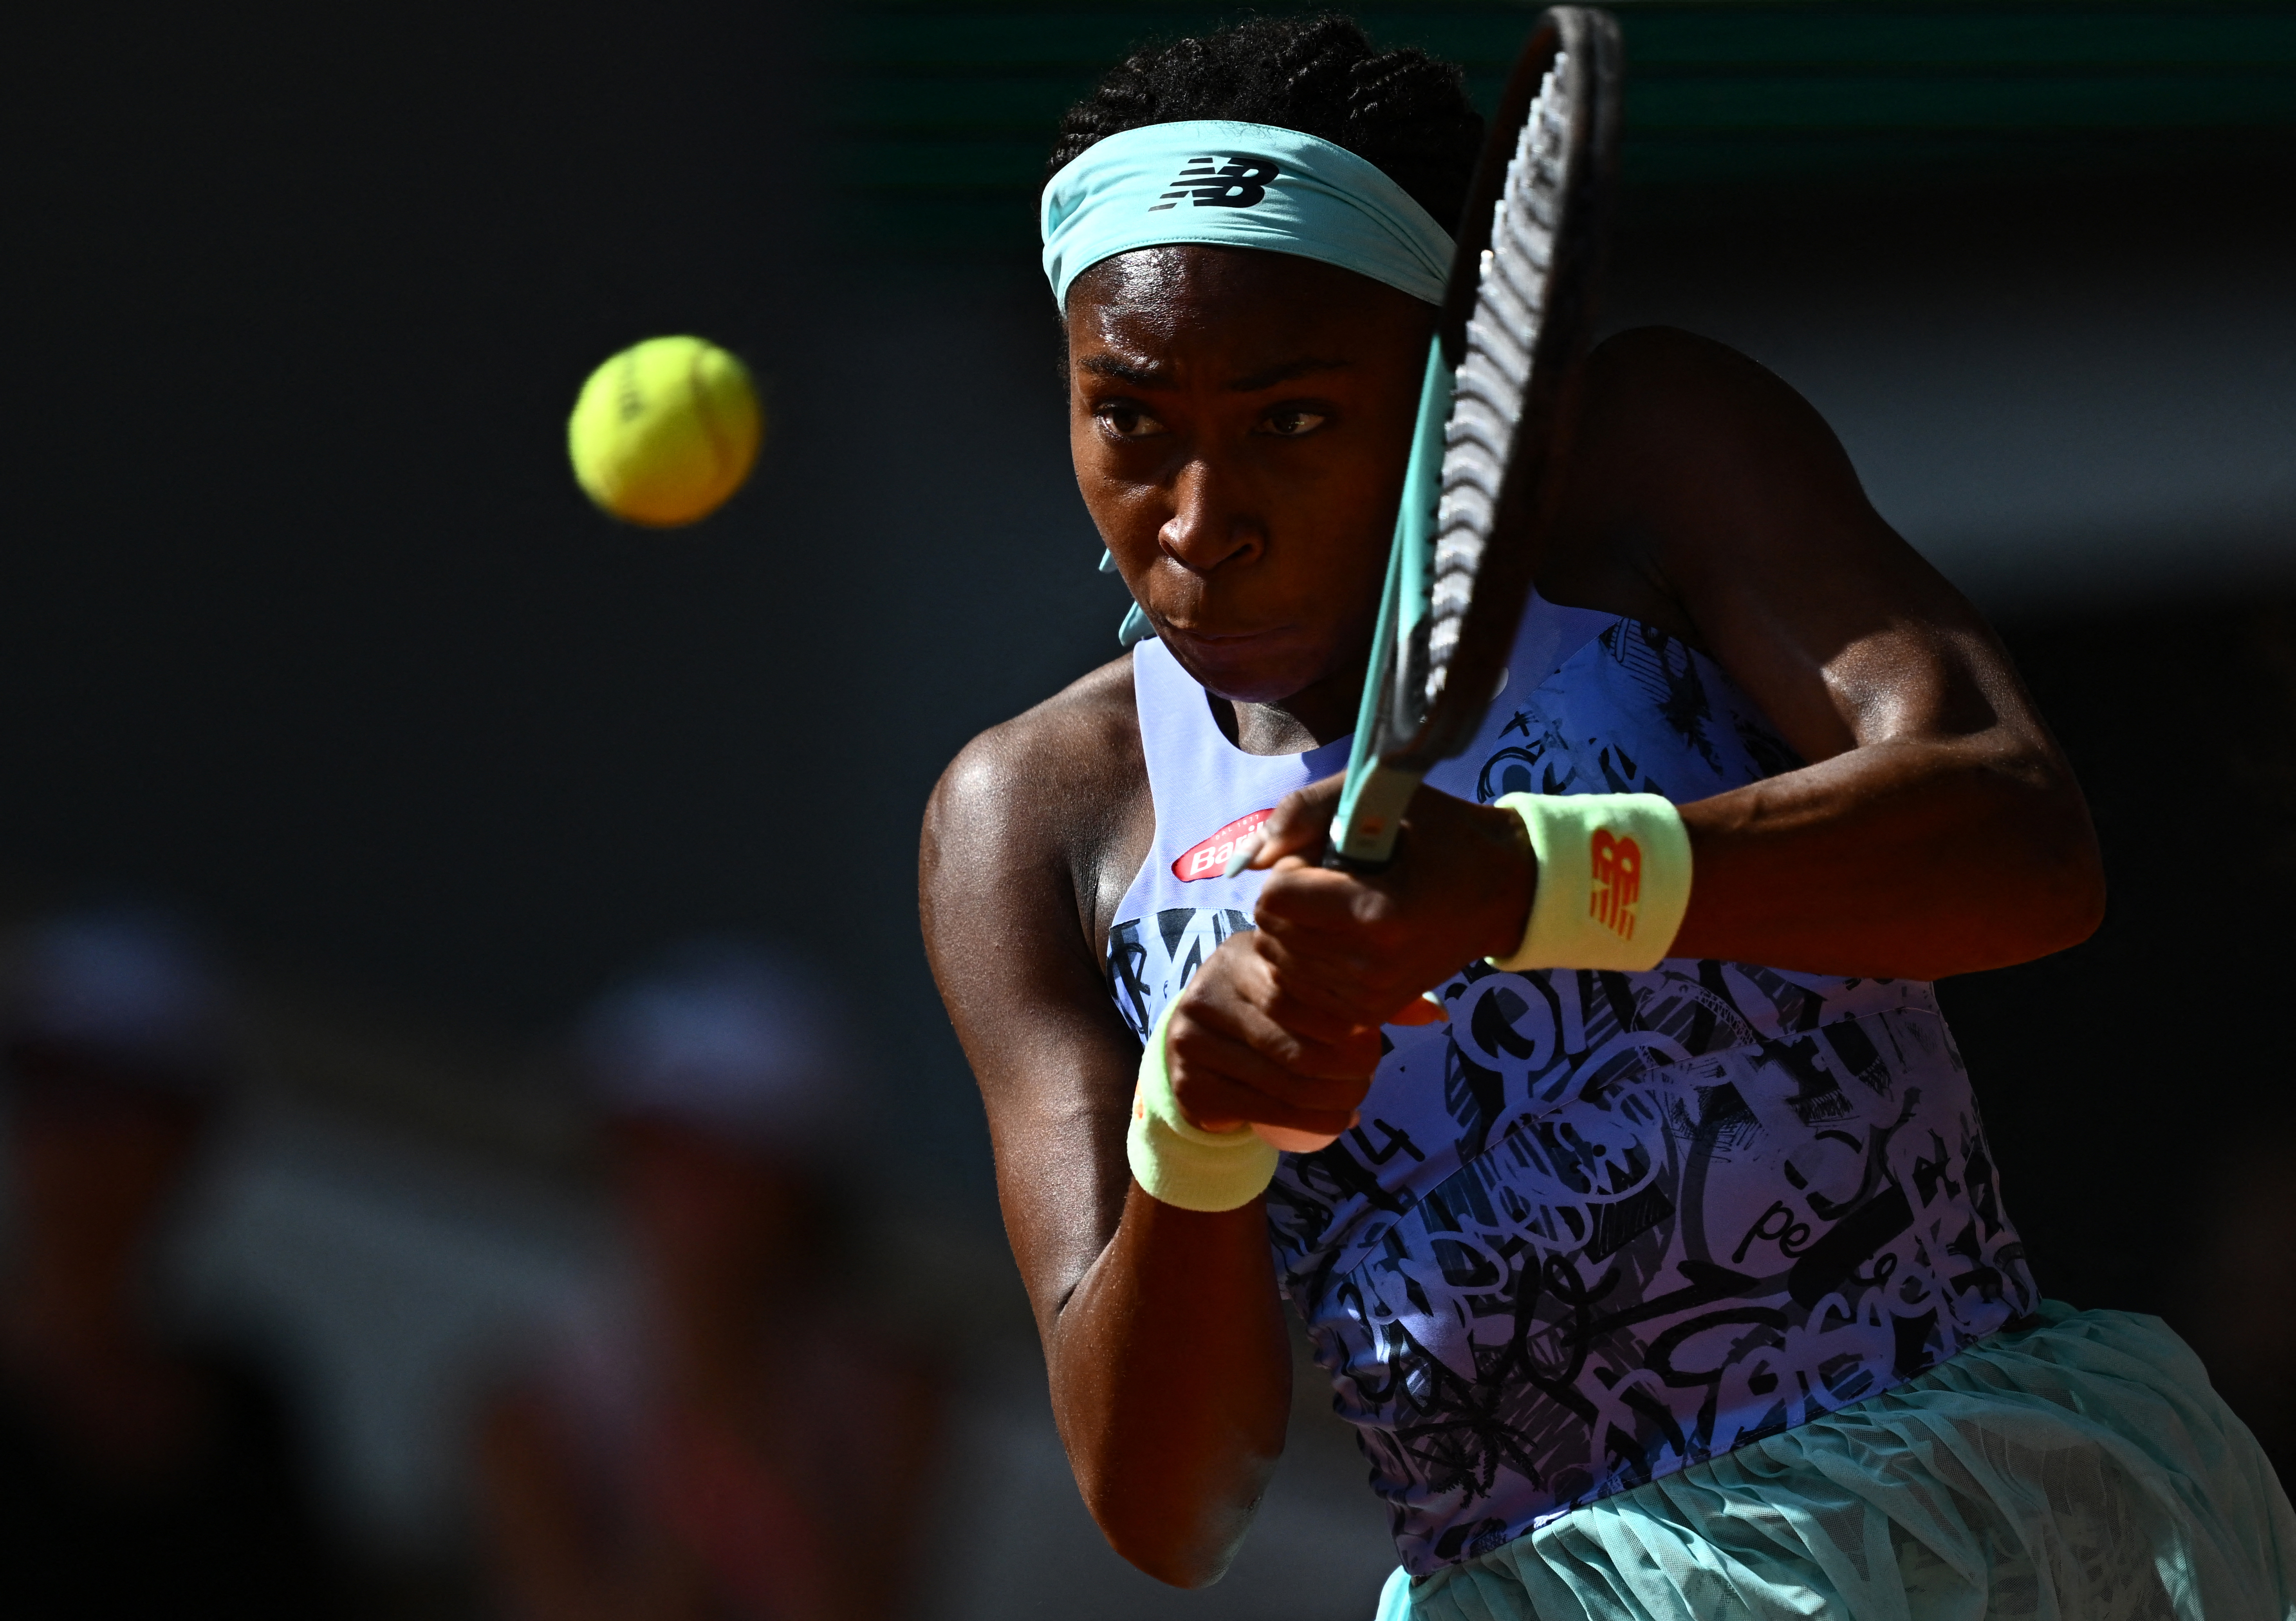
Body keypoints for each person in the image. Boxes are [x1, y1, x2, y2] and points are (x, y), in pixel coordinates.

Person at [918, 14, 2296, 1619]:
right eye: (1131, 421)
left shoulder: (1647, 458)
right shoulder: (1027, 817)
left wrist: (1530, 879)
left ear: (1449, 374)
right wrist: (1201, 1129)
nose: (1201, 522)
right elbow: (1167, 1506)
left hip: (1992, 1530)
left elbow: (2019, 837)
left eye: (1293, 417)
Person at [476, 940, 941, 1621]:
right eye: (645, 1154)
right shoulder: (526, 1412)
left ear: (795, 1194)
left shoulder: (899, 1394)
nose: (665, 1199)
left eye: (707, 1167)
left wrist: (735, 1387)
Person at [0, 907, 340, 1620]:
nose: (77, 1138)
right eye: (51, 1083)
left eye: (120, 1097)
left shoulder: (246, 1417)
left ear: (193, 1135)